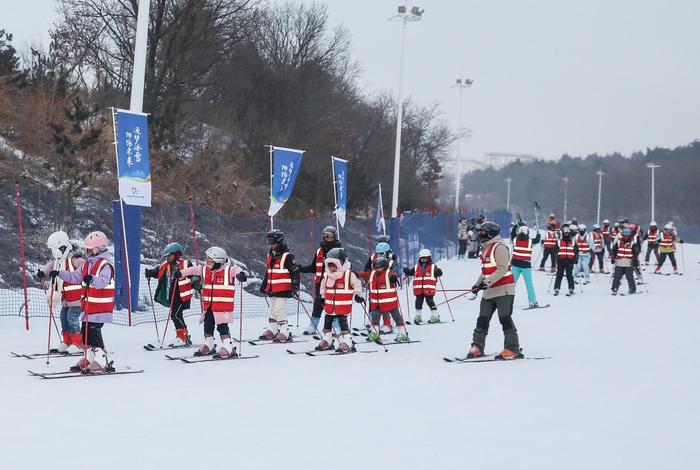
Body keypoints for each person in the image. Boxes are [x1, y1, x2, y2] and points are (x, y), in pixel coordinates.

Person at [53, 231, 115, 373]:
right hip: (88, 306)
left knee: (93, 331)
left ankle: (101, 358)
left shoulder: (105, 265)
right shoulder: (86, 263)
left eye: (89, 249)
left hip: (100, 307)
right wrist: (59, 273)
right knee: (85, 331)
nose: (87, 251)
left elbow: (103, 282)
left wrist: (91, 278)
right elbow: (75, 276)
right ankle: (89, 356)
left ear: (99, 248)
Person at [178, 246, 248, 358]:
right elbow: (193, 269)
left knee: (222, 326)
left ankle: (227, 346)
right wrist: (181, 273)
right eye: (207, 261)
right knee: (208, 325)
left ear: (218, 262)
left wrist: (241, 275)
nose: (208, 263)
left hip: (222, 307)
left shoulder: (228, 270)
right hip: (209, 306)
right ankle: (208, 344)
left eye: (210, 262)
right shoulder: (205, 269)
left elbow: (236, 270)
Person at [466, 221, 521, 360]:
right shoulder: (485, 248)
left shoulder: (500, 247)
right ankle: (477, 346)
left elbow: (502, 269)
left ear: (490, 233)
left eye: (483, 232)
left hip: (504, 290)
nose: (480, 234)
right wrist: (477, 285)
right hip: (489, 292)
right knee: (482, 319)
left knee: (505, 318)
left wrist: (487, 282)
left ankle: (512, 348)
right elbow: (485, 271)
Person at [37, 231, 85, 353]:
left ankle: (77, 342)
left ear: (63, 247)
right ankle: (67, 341)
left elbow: (84, 270)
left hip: (77, 298)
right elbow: (51, 266)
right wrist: (44, 273)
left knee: (72, 318)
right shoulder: (59, 260)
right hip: (65, 299)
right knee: (63, 318)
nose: (54, 252)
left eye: (55, 248)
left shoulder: (75, 260)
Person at [145, 242, 196, 346]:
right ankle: (184, 336)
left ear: (176, 254)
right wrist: (150, 273)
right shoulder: (165, 265)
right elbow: (158, 271)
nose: (167, 258)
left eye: (169, 256)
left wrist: (195, 281)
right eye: (166, 256)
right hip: (172, 295)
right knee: (177, 315)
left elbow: (193, 274)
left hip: (182, 295)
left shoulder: (186, 264)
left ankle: (182, 337)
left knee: (176, 315)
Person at [316, 248, 363, 352]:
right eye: (329, 265)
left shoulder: (348, 275)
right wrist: (321, 297)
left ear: (340, 263)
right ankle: (327, 340)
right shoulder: (327, 275)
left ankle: (347, 341)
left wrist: (357, 295)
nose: (331, 268)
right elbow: (323, 287)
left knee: (343, 324)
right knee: (327, 322)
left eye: (334, 265)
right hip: (330, 306)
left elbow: (357, 285)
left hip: (342, 306)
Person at [259, 229, 300, 342]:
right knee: (272, 309)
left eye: (273, 242)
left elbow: (295, 273)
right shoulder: (270, 255)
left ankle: (284, 331)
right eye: (269, 242)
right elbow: (268, 272)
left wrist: (295, 287)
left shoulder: (288, 256)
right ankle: (273, 329)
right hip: (272, 288)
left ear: (280, 241)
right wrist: (263, 285)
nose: (271, 245)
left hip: (283, 289)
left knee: (279, 309)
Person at [299, 226, 341, 334]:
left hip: (334, 283)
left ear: (334, 237)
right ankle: (313, 326)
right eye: (325, 235)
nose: (327, 238)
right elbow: (313, 267)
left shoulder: (339, 251)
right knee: (318, 304)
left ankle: (337, 326)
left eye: (330, 236)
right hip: (320, 283)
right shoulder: (319, 251)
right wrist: (299, 269)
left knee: (333, 305)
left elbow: (344, 267)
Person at [360, 257, 409, 343]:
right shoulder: (372, 274)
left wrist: (393, 278)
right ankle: (374, 333)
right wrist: (355, 274)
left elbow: (394, 275)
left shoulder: (388, 273)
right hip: (377, 303)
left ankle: (402, 333)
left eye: (379, 267)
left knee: (397, 317)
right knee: (375, 318)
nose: (378, 269)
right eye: (376, 268)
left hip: (391, 303)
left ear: (385, 267)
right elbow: (364, 274)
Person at [403, 248, 443, 323]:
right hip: (419, 290)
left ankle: (435, 315)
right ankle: (418, 315)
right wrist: (407, 271)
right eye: (422, 258)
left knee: (430, 301)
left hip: (429, 289)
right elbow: (411, 273)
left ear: (429, 258)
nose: (424, 260)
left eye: (425, 258)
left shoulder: (433, 267)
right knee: (418, 302)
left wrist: (438, 272)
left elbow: (440, 273)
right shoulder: (416, 267)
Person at [510, 225, 541, 308]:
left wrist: (517, 225)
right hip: (526, 266)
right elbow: (538, 240)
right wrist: (538, 234)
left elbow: (512, 233)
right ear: (527, 232)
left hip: (515, 265)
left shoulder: (515, 239)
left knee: (511, 284)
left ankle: (507, 301)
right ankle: (533, 301)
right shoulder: (530, 241)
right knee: (529, 285)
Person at [610, 228, 639, 295]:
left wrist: (634, 260)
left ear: (629, 236)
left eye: (627, 235)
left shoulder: (632, 243)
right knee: (617, 276)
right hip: (619, 262)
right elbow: (614, 251)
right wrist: (613, 257)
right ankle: (614, 288)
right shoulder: (618, 242)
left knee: (629, 277)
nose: (625, 236)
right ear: (622, 235)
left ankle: (632, 289)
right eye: (624, 235)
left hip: (628, 262)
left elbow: (635, 253)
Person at [553, 226, 578, 296]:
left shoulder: (573, 242)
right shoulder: (559, 241)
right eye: (565, 233)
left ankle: (571, 288)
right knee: (559, 274)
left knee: (569, 275)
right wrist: (556, 257)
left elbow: (576, 251)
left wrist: (576, 258)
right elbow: (555, 250)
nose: (566, 235)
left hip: (570, 261)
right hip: (561, 260)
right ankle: (556, 288)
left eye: (568, 233)